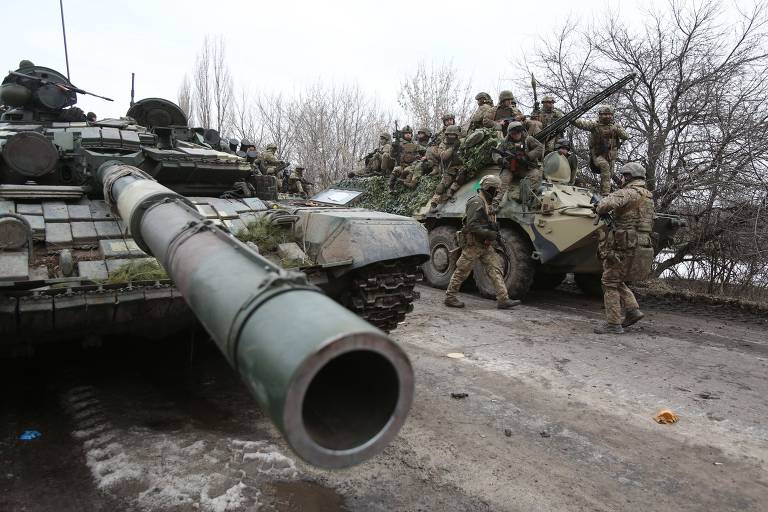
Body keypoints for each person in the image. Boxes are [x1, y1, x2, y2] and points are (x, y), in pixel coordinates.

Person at [592, 162, 655, 334]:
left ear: (628, 177)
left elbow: (604, 205)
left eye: (623, 176)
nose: (621, 179)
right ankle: (633, 310)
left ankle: (613, 324)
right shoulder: (648, 196)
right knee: (615, 277)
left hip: (624, 244)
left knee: (608, 281)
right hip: (641, 243)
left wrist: (599, 204)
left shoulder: (627, 192)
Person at [444, 174, 521, 310]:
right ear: (488, 188)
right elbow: (471, 225)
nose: (497, 192)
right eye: (495, 189)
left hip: (485, 244)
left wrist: (492, 232)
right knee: (462, 271)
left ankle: (503, 299)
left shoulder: (486, 201)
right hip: (473, 244)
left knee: (495, 269)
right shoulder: (476, 202)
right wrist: (489, 233)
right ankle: (450, 297)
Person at [572, 105, 629, 195]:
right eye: (604, 114)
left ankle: (609, 189)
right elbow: (581, 124)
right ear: (600, 115)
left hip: (611, 156)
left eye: (609, 114)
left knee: (610, 174)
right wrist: (572, 119)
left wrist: (616, 130)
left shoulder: (615, 126)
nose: (607, 116)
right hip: (598, 155)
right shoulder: (595, 125)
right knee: (605, 167)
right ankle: (605, 194)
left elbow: (626, 136)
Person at [490, 121, 544, 211]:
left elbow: (540, 148)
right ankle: (496, 203)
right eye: (513, 133)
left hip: (525, 168)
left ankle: (526, 197)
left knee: (535, 174)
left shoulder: (528, 139)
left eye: (518, 132)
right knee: (503, 181)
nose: (516, 135)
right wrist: (501, 160)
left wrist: (527, 157)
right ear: (510, 133)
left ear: (521, 131)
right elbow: (495, 153)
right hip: (510, 168)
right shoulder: (504, 142)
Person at [428, 125, 465, 211]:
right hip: (449, 168)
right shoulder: (443, 144)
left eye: (454, 135)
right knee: (442, 185)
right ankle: (433, 204)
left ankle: (451, 190)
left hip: (461, 167)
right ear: (446, 135)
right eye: (449, 135)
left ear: (457, 135)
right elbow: (443, 156)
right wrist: (452, 148)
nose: (451, 137)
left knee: (463, 175)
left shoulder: (461, 142)